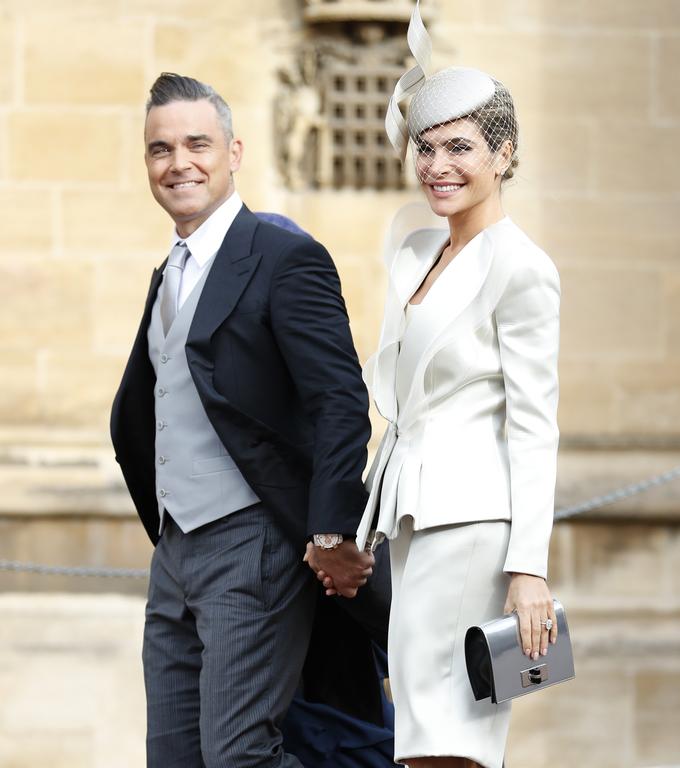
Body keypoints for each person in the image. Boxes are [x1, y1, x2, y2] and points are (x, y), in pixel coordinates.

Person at [314, 4, 561, 767]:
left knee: (447, 734)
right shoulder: (419, 250)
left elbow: (534, 423)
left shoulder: (521, 267)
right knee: (425, 728)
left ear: (505, 152)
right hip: (415, 523)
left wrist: (529, 569)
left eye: (460, 146)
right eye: (426, 147)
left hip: (476, 529)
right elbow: (404, 409)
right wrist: (359, 528)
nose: (437, 165)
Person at [110, 72, 380, 768]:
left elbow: (340, 399)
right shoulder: (167, 274)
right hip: (175, 550)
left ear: (234, 152)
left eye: (197, 144)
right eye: (160, 149)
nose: (179, 163)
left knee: (238, 756)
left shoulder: (285, 258)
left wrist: (329, 528)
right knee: (174, 757)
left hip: (253, 542)